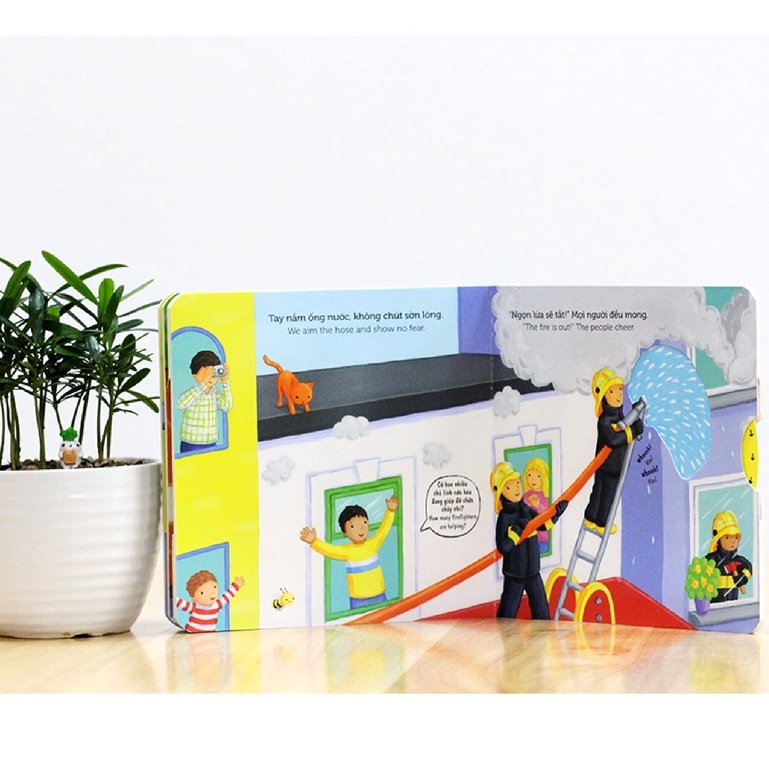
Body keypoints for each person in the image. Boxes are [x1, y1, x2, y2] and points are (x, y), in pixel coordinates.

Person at [490, 462, 567, 619]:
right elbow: (503, 546)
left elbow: (542, 525)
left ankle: (544, 634)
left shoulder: (525, 509)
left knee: (542, 611)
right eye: (509, 487)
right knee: (507, 613)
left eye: (518, 483)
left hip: (533, 571)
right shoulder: (505, 518)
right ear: (501, 492)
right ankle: (501, 634)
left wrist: (556, 515)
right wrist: (517, 530)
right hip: (514, 574)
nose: (517, 488)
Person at [300, 496, 398, 610]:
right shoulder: (347, 551)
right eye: (352, 526)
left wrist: (390, 511)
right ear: (344, 532)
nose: (360, 528)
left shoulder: (373, 544)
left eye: (364, 522)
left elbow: (383, 530)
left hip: (379, 595)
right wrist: (314, 541)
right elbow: (330, 550)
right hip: (358, 599)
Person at [583, 367, 644, 535]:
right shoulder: (605, 420)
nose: (618, 394)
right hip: (607, 465)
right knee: (603, 494)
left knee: (605, 493)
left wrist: (635, 425)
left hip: (615, 465)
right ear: (603, 396)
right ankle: (598, 521)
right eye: (612, 391)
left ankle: (594, 519)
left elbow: (625, 428)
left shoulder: (618, 416)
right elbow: (613, 440)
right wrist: (632, 432)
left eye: (620, 389)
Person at [176, 350, 233, 453]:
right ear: (194, 375)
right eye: (205, 374)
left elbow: (226, 407)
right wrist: (203, 384)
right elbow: (180, 404)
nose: (210, 378)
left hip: (211, 442)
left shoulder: (215, 392)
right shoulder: (194, 392)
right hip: (191, 442)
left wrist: (225, 382)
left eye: (213, 374)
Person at [176, 570, 245, 632]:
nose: (212, 593)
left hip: (210, 635)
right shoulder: (194, 607)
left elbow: (227, 596)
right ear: (193, 597)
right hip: (192, 634)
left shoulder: (216, 605)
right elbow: (179, 602)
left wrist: (236, 585)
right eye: (202, 592)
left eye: (214, 587)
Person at [707, 511, 752, 603]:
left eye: (735, 537)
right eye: (727, 537)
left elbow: (749, 568)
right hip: (715, 605)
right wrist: (726, 569)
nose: (733, 541)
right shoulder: (711, 560)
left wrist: (742, 578)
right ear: (718, 539)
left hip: (733, 604)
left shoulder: (739, 560)